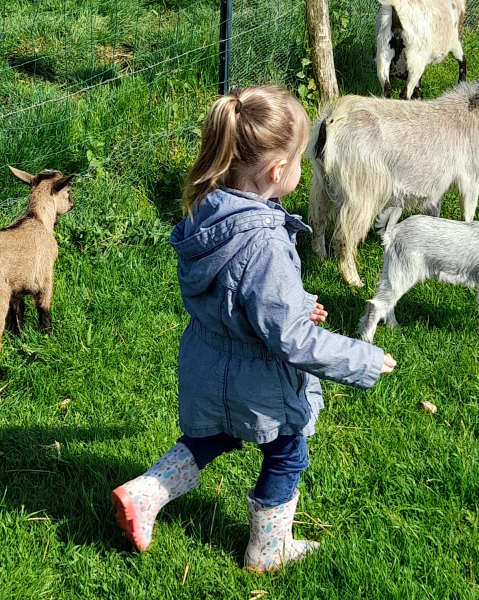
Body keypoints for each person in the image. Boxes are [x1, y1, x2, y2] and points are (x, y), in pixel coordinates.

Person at [110, 85, 396, 573]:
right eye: (300, 160)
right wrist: (362, 358)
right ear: (277, 172)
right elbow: (291, 339)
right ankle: (267, 550)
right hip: (258, 379)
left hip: (206, 364)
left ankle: (146, 492)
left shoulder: (206, 211)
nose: (303, 169)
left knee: (215, 435)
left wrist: (298, 304)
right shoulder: (265, 242)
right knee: (288, 451)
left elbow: (240, 295)